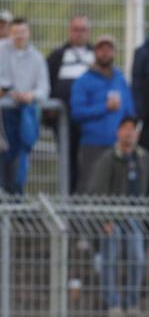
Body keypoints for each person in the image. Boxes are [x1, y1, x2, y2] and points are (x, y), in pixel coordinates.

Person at [87, 117, 149, 317]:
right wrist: (103, 219)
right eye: (125, 129)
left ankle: (132, 303)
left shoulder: (142, 157)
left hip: (134, 218)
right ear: (118, 132)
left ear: (137, 134)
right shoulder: (108, 158)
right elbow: (97, 190)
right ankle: (112, 304)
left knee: (138, 258)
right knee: (110, 260)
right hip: (112, 218)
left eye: (132, 129)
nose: (129, 133)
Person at [70, 35, 134, 193]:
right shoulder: (83, 81)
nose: (105, 53)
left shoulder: (120, 78)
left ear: (114, 53)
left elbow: (129, 111)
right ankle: (84, 218)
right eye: (101, 49)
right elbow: (77, 112)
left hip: (118, 145)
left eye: (109, 49)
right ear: (95, 53)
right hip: (93, 144)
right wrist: (104, 107)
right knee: (90, 185)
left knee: (118, 188)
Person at [0, 18, 50, 194]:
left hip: (25, 115)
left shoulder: (37, 57)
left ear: (28, 33)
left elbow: (44, 88)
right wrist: (8, 92)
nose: (19, 36)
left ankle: (16, 201)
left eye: (22, 32)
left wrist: (31, 95)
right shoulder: (2, 51)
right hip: (4, 114)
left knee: (20, 161)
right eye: (15, 32)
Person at [47, 15, 93, 192]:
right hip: (65, 121)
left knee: (90, 163)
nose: (79, 34)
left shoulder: (96, 55)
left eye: (83, 30)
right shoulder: (57, 56)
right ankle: (68, 202)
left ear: (88, 32)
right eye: (75, 29)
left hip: (90, 122)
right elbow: (48, 83)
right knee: (68, 162)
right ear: (69, 31)